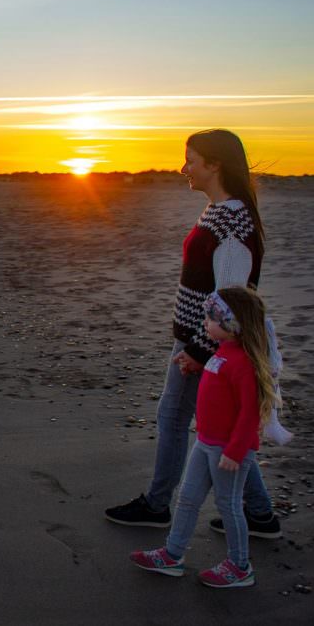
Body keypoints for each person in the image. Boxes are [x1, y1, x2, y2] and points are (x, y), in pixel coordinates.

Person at [105, 129, 281, 538]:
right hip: (199, 341)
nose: (184, 168)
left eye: (191, 160)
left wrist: (200, 353)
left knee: (176, 418)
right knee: (213, 425)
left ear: (215, 164)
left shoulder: (232, 222)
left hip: (208, 346)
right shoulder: (218, 212)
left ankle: (157, 505)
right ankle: (258, 513)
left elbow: (233, 301)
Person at [129, 287, 278, 588]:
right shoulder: (220, 351)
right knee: (187, 498)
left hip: (229, 449)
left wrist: (235, 451)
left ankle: (239, 566)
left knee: (229, 504)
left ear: (232, 323)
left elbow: (249, 413)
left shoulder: (243, 363)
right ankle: (172, 554)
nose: (205, 323)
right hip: (206, 442)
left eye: (211, 318)